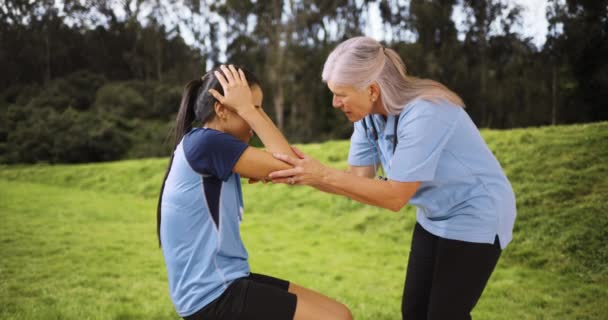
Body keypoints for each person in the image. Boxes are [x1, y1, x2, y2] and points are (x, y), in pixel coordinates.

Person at [269, 36, 516, 320]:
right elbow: (358, 180)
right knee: (413, 313)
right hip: (434, 215)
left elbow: (395, 197)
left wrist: (322, 174)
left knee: (445, 315)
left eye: (342, 94)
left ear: (372, 90)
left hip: (477, 211)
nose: (335, 103)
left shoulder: (426, 112)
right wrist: (307, 175)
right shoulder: (368, 117)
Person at [157, 65, 352, 320]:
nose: (257, 117)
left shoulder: (207, 146)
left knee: (340, 314)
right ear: (221, 110)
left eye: (258, 108)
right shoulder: (207, 143)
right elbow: (292, 165)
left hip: (230, 280)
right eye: (254, 108)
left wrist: (250, 118)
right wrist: (250, 111)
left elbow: (286, 168)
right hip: (213, 296)